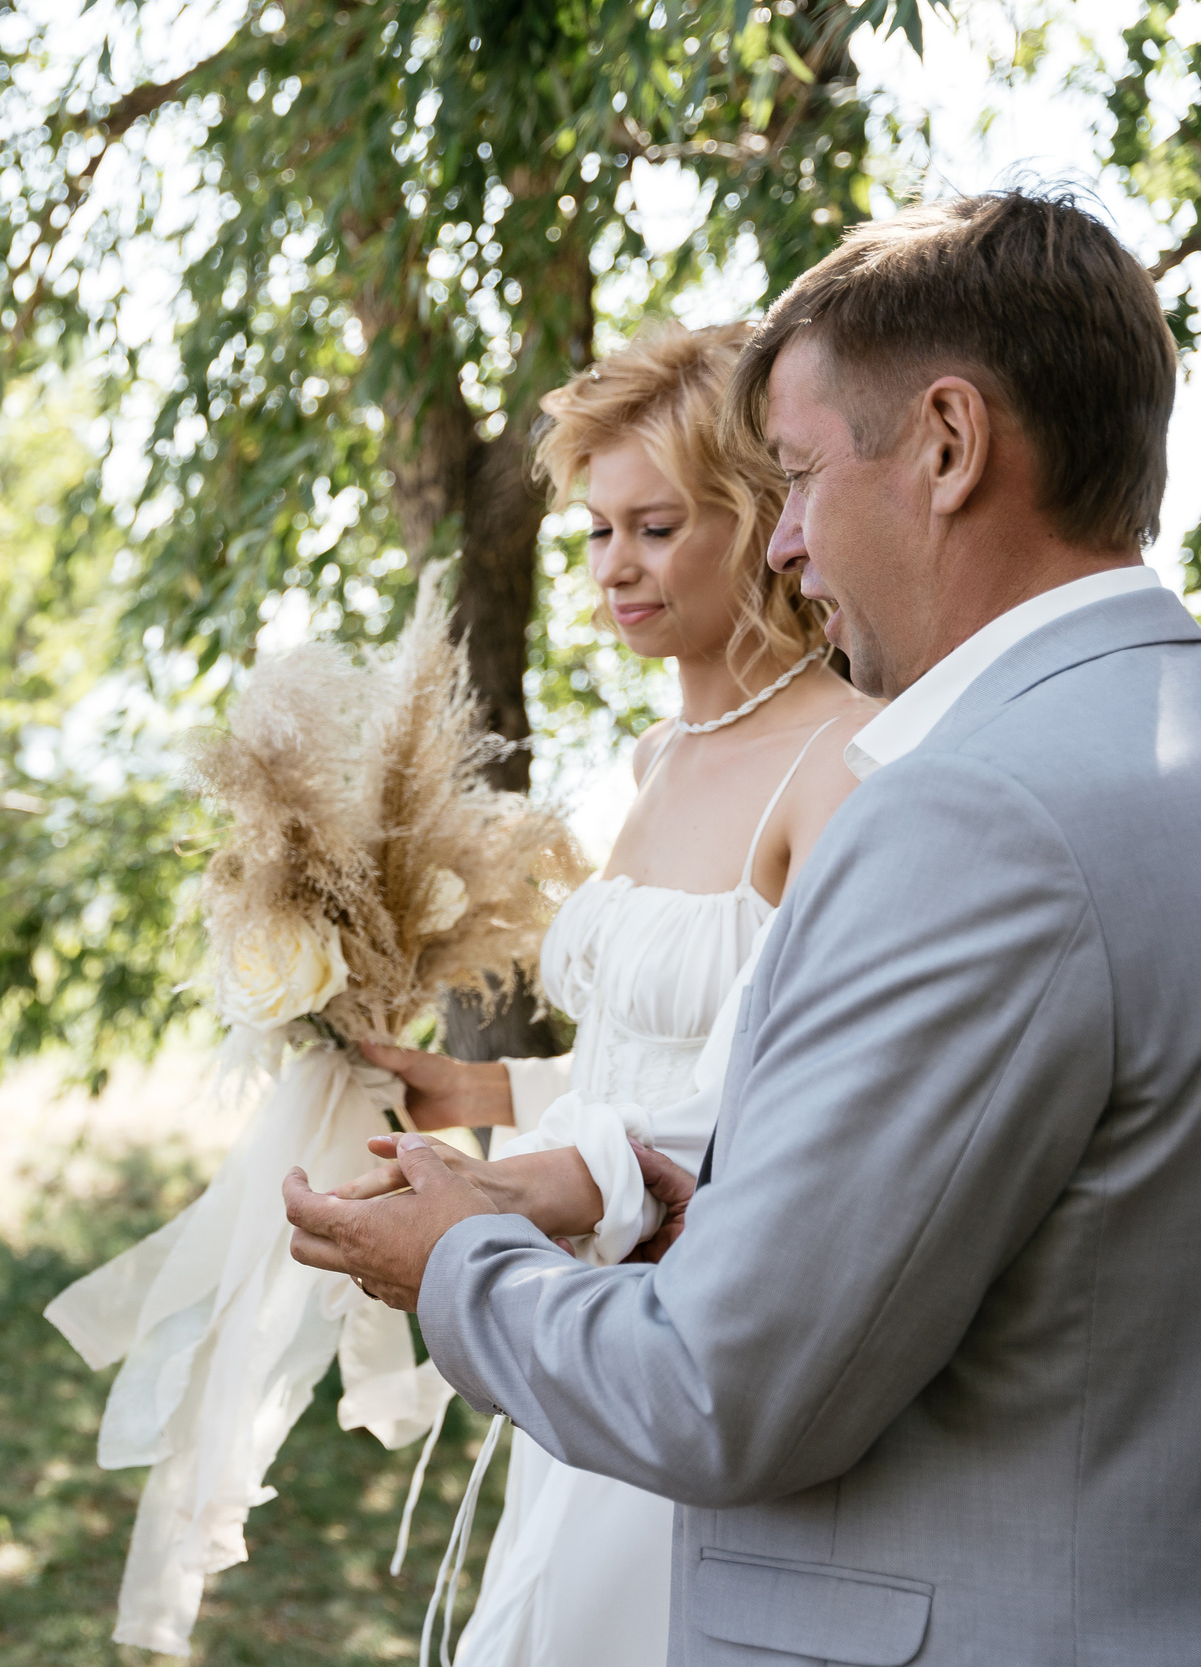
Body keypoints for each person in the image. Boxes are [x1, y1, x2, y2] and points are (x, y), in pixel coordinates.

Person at [285, 190, 1201, 1665]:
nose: (785, 545)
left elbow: (722, 1389)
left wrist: (455, 1257)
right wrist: (653, 1182)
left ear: (951, 448)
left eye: (794, 478)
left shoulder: (965, 816)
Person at [352, 320, 874, 1667]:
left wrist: (509, 1198)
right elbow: (636, 1049)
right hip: (578, 1277)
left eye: (655, 526)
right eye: (594, 533)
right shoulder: (654, 755)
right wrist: (479, 1093)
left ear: (758, 520)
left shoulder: (838, 761)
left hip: (688, 1299)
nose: (613, 569)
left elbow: (749, 1093)